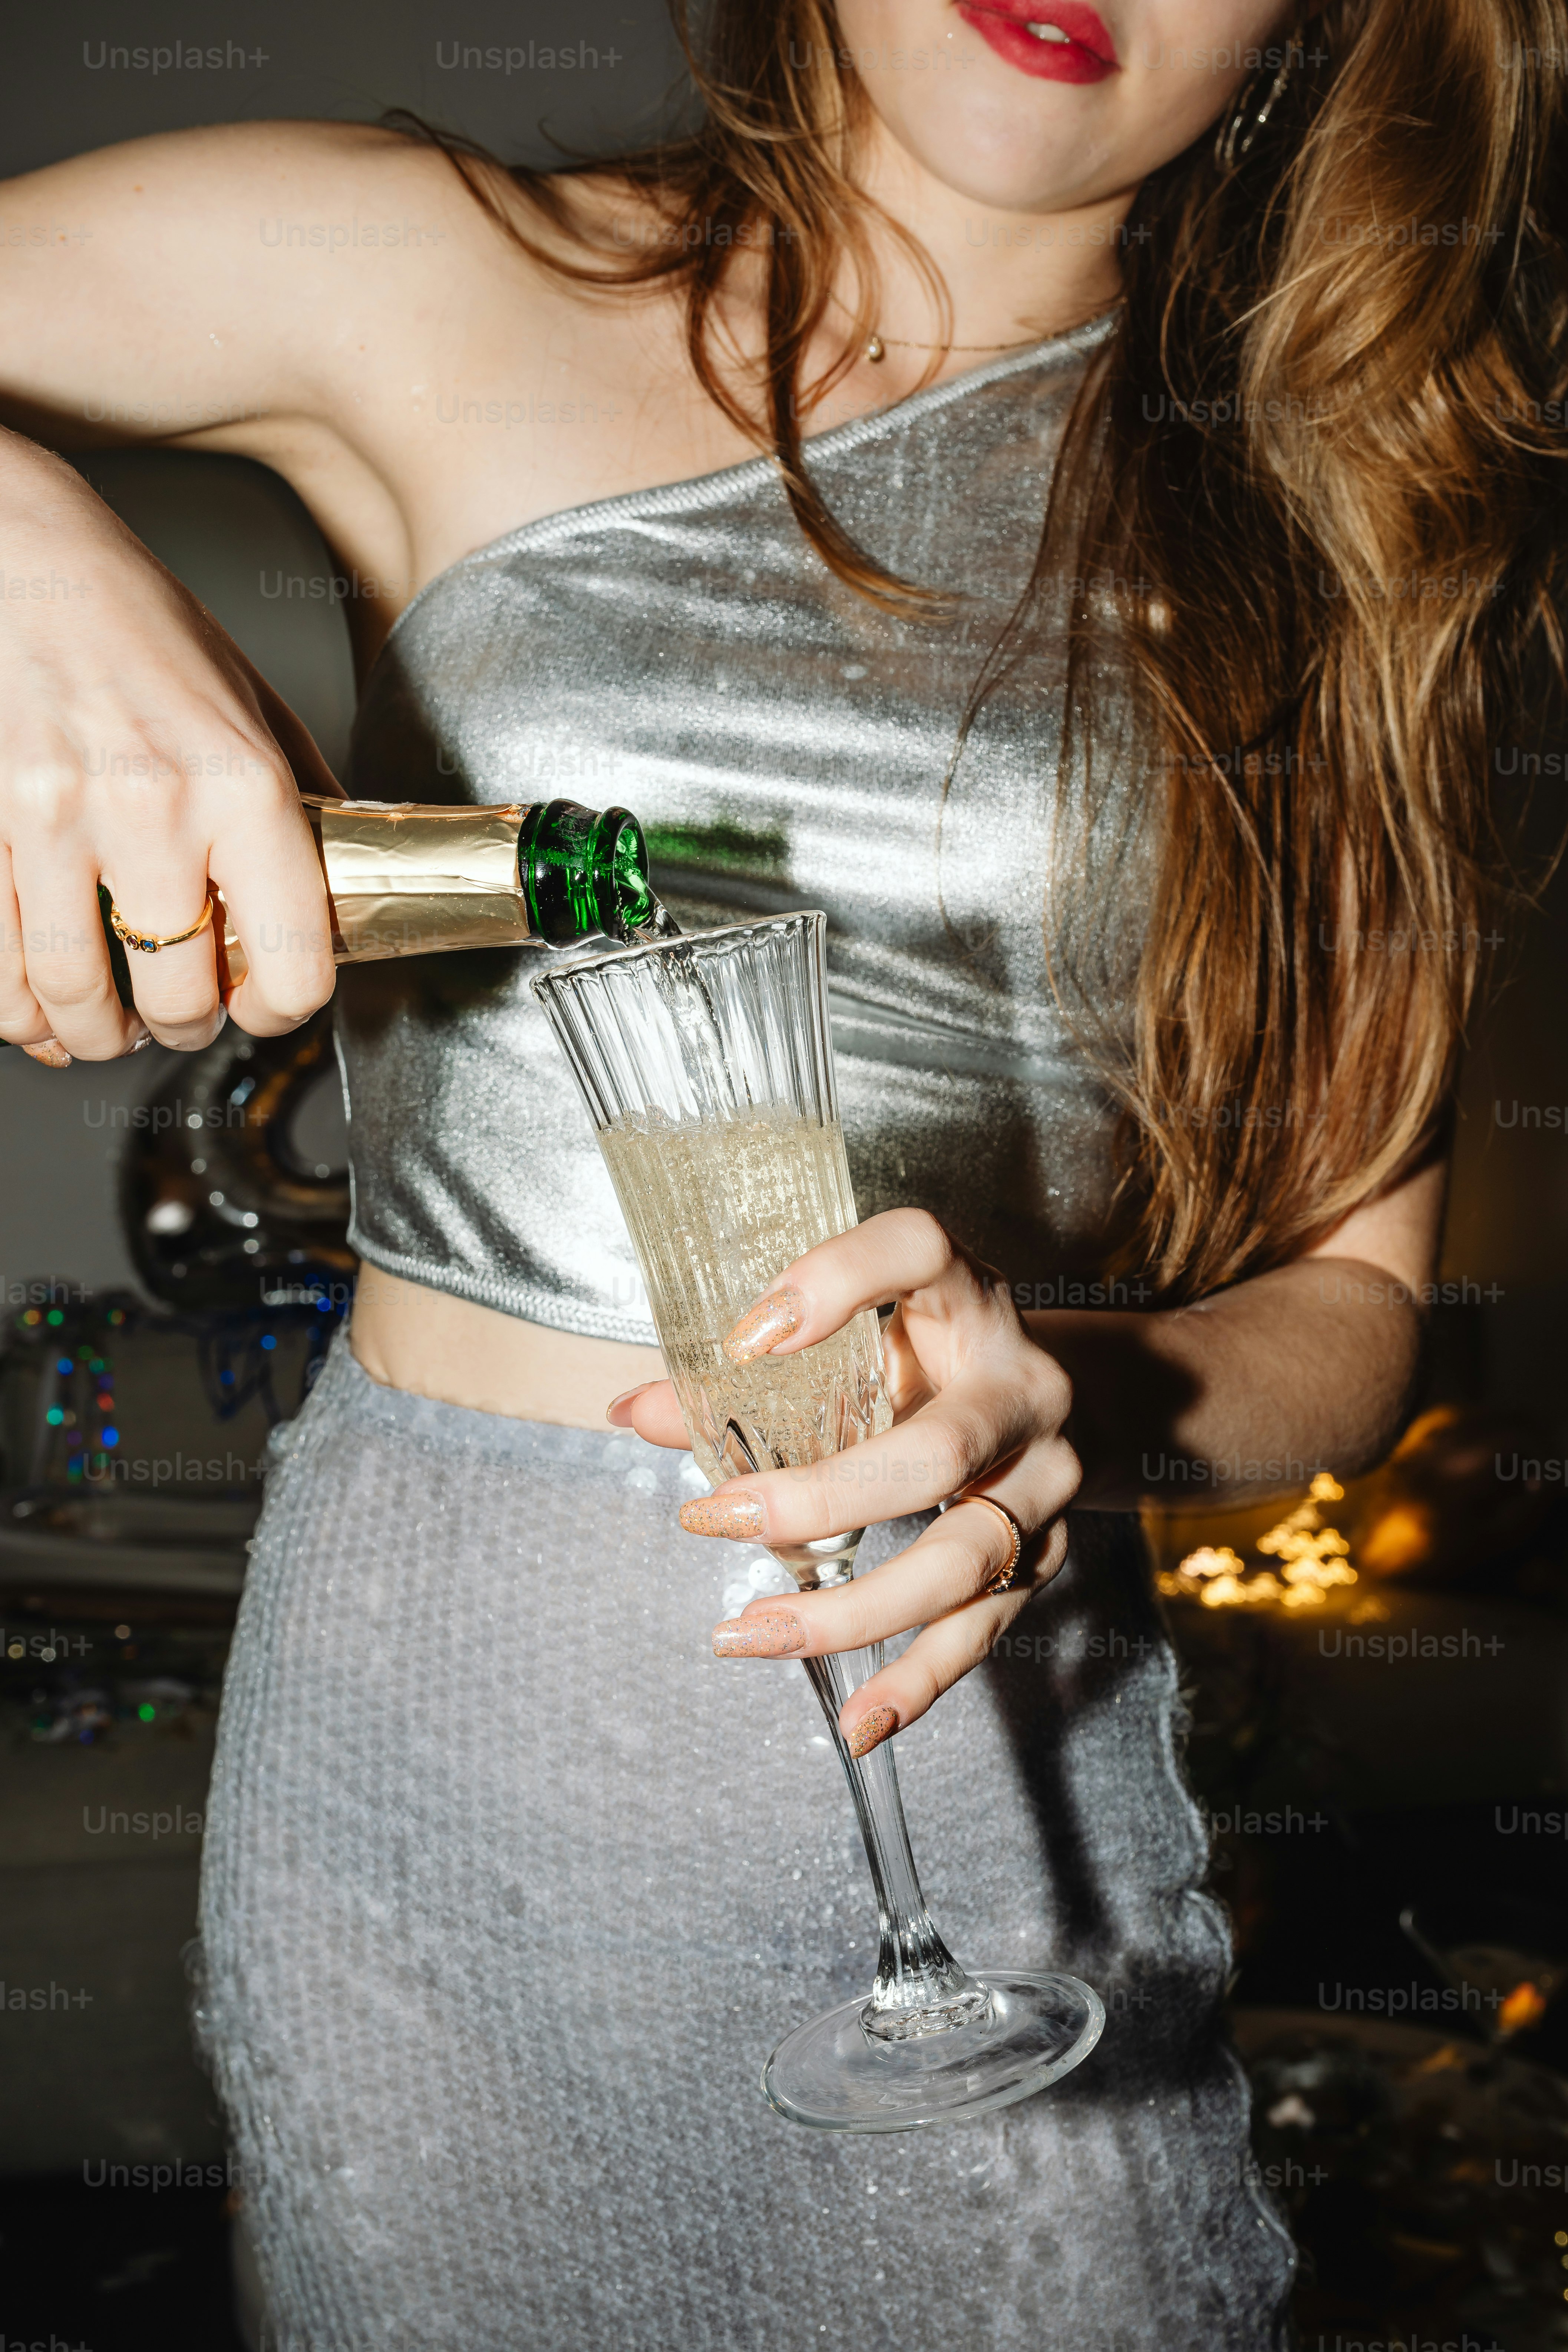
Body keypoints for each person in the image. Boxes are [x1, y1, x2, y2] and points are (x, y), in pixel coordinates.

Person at [2, 1, 1562, 2343]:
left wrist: (1066, 1394)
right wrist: (22, 546)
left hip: (972, 1763)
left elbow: (1352, 1307)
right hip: (418, 1776)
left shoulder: (1335, 523)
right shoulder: (433, 266)